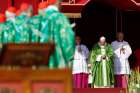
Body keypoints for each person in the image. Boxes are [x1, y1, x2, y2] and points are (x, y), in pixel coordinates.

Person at [39, 0, 75, 68]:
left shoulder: (39, 17)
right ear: (58, 2)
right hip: (58, 62)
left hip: (40, 62)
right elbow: (68, 40)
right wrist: (69, 56)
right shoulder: (60, 17)